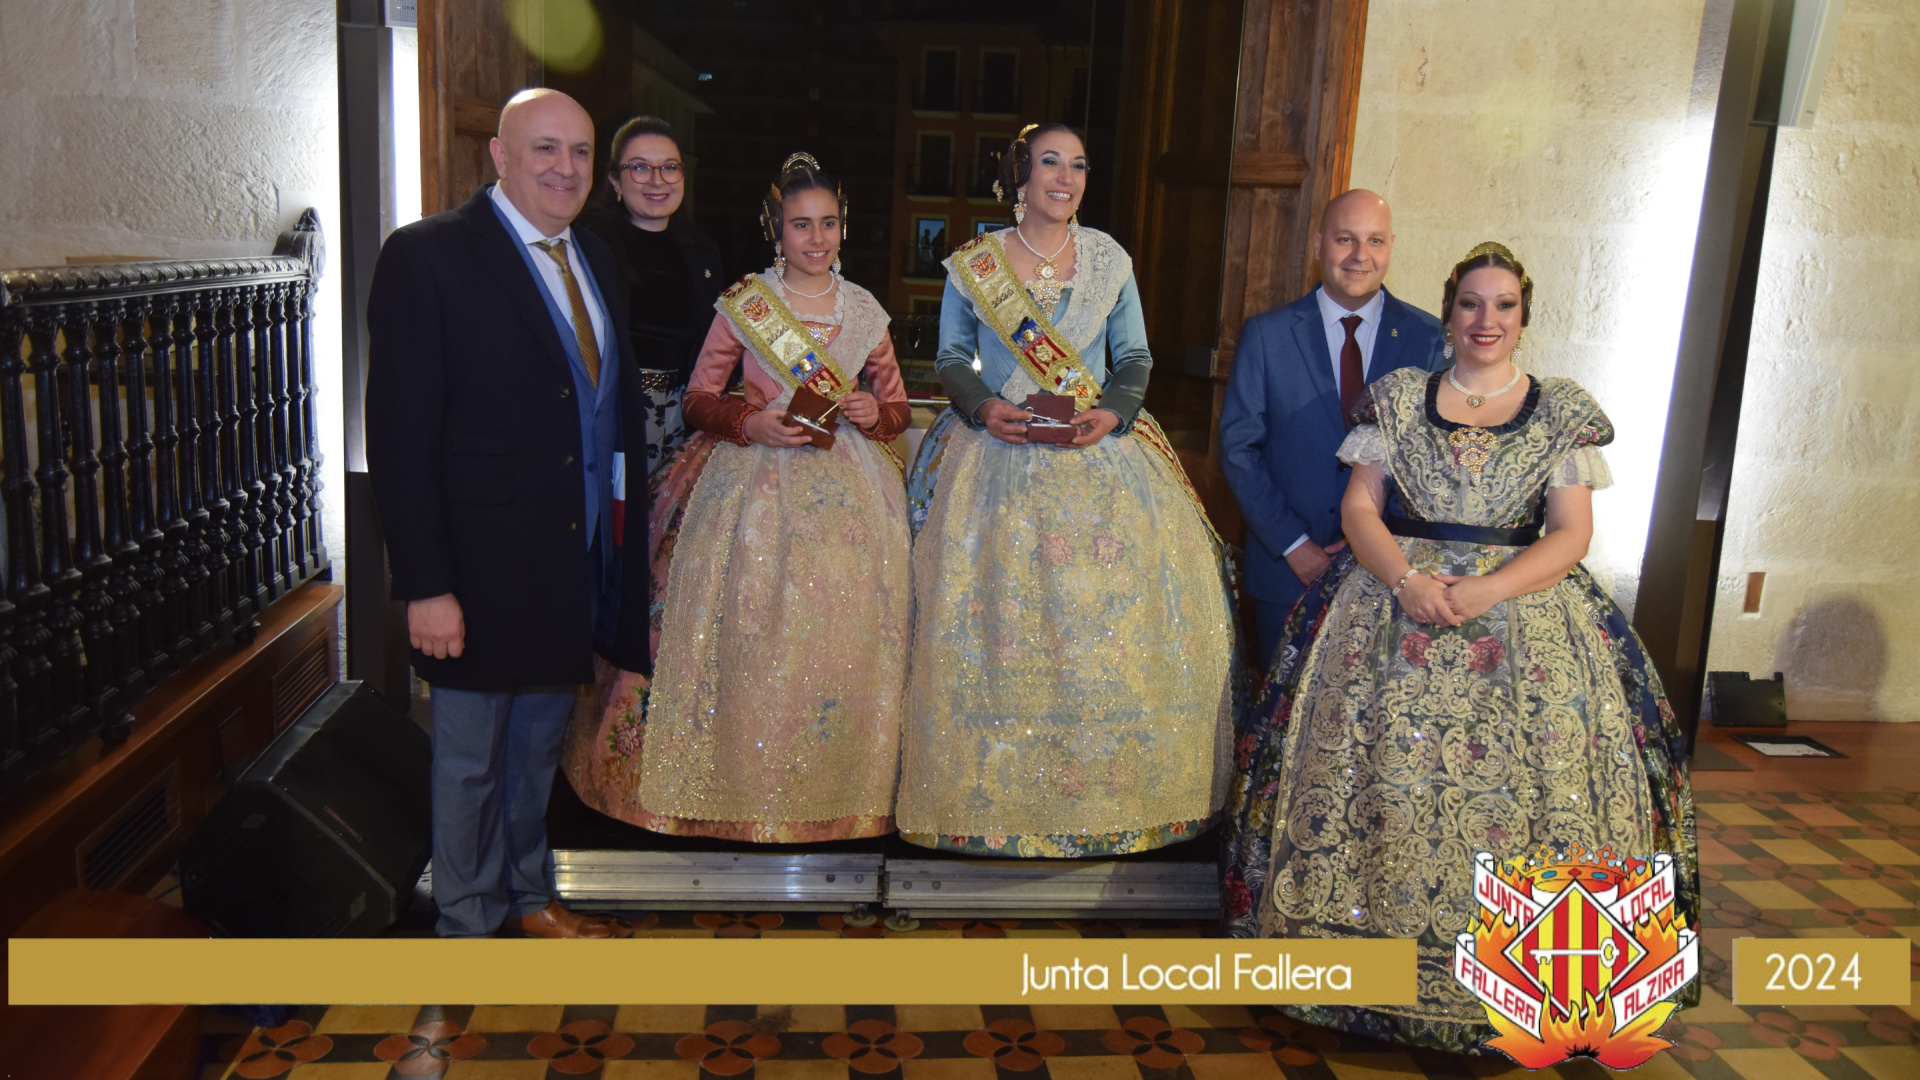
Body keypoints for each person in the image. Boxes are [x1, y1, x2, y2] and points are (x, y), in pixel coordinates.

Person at [1219, 243, 1698, 1052]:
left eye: (1504, 305)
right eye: (1471, 303)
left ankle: (1539, 982)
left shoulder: (1560, 412)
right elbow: (1360, 510)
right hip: (1390, 601)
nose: (1486, 319)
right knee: (1371, 771)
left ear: (1523, 316)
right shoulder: (1399, 398)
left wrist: (1490, 589)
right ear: (1448, 313)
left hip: (1522, 612)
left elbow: (1571, 534)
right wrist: (1406, 580)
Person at [898, 123, 1236, 858]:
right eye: (1050, 162)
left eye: (1078, 165)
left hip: (1096, 451)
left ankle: (1110, 797)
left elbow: (1134, 355)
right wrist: (983, 408)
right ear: (1019, 175)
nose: (1065, 177)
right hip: (997, 451)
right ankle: (992, 798)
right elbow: (951, 356)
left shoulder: (1108, 258)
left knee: (1104, 622)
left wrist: (1111, 412)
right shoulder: (976, 264)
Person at [365, 88, 650, 939]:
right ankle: (465, 926)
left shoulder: (596, 257)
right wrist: (426, 585)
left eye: (580, 151)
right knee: (468, 765)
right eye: (544, 149)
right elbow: (401, 435)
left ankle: (529, 900)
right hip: (475, 570)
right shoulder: (428, 256)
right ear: (498, 154)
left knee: (533, 754)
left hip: (572, 561)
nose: (566, 168)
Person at [605, 152, 913, 842]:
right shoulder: (746, 304)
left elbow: (895, 408)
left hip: (851, 492)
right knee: (752, 636)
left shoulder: (864, 310)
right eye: (801, 224)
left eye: (828, 222)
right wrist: (751, 423)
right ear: (777, 230)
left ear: (843, 226)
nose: (816, 238)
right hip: (752, 487)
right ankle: (741, 782)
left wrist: (874, 413)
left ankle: (841, 785)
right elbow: (698, 399)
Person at [1220, 190, 1446, 668]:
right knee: (1279, 708)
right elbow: (1240, 450)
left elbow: (1433, 458)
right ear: (1319, 243)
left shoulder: (1427, 338)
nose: (1360, 255)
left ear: (1390, 247)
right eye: (1346, 239)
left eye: (1375, 240)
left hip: (1389, 573)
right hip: (1287, 575)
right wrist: (1294, 546)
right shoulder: (1267, 335)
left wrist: (1373, 542)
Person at [577, 115, 726, 477]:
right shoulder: (587, 246)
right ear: (615, 179)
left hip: (681, 417)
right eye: (640, 168)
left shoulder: (703, 254)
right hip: (610, 412)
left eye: (669, 167)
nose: (657, 180)